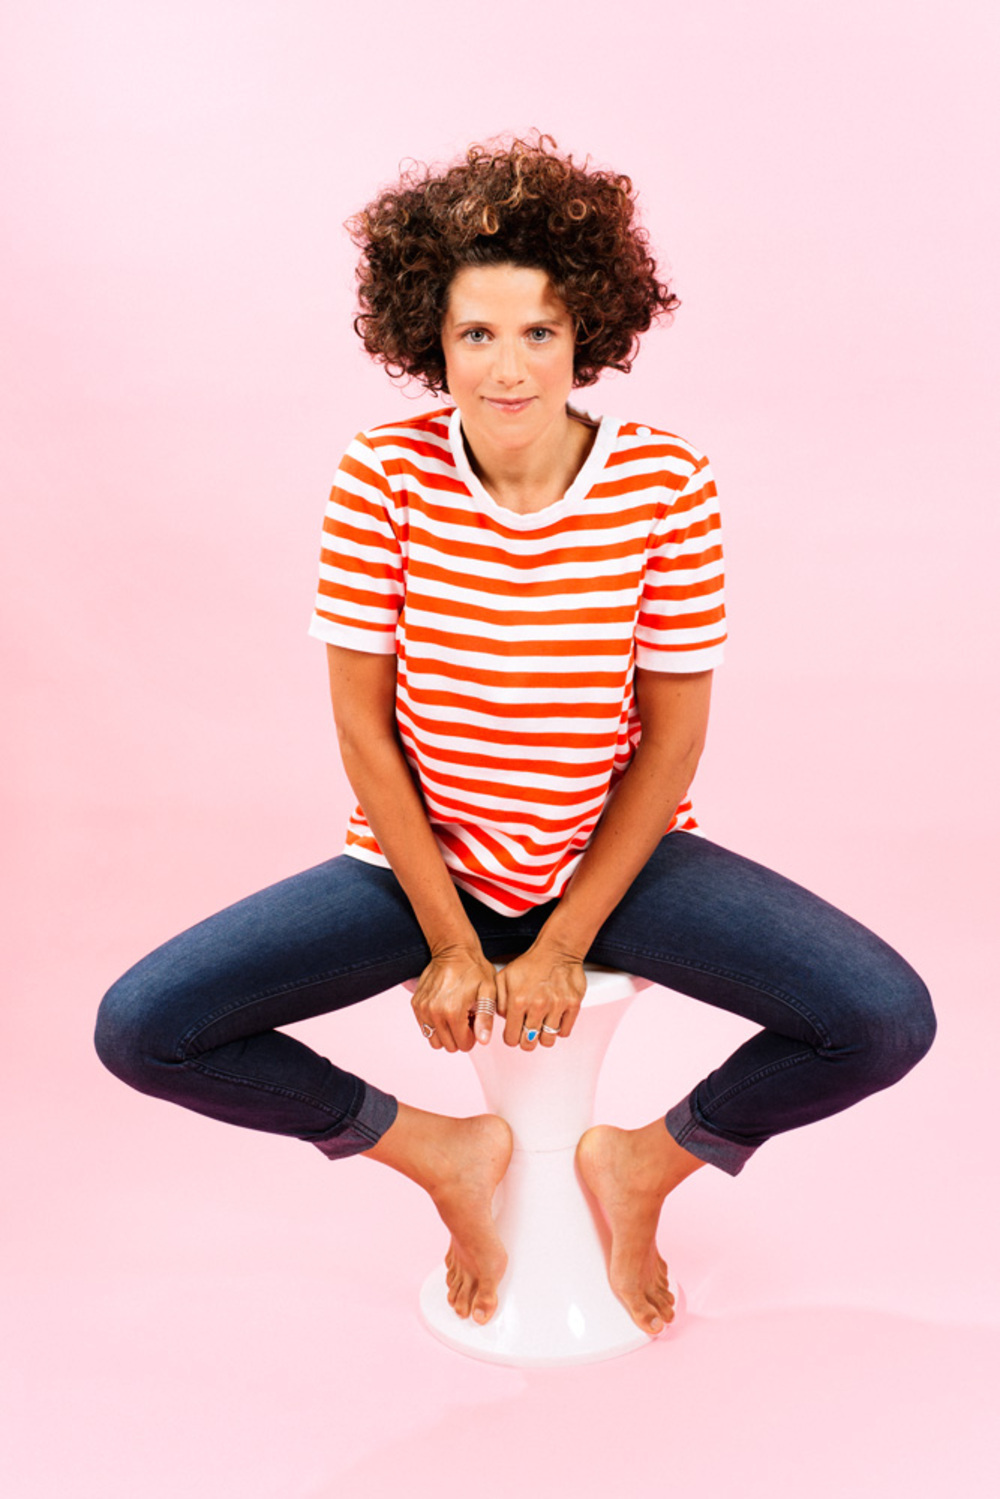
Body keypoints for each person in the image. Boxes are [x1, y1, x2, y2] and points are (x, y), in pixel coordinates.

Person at [95, 135, 935, 1337]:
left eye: (538, 331)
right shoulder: (381, 476)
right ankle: (439, 1150)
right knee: (143, 1026)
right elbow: (362, 726)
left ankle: (642, 1165)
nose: (507, 367)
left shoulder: (665, 482)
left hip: (617, 863)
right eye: (476, 333)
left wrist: (563, 940)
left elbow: (671, 742)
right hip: (416, 870)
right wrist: (449, 936)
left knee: (884, 1017)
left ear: (585, 331)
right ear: (429, 342)